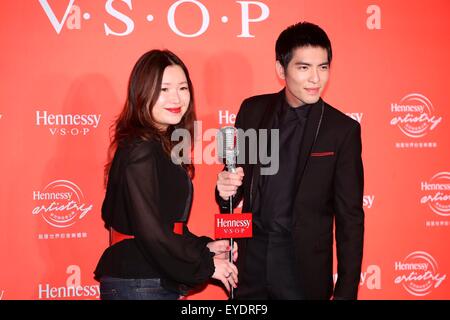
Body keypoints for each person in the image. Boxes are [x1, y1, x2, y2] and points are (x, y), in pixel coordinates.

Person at [216, 22, 364, 300]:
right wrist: (224, 188)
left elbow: (350, 220)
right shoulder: (253, 111)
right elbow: (234, 186)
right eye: (304, 67)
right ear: (281, 70)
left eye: (323, 67)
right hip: (251, 262)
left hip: (303, 270)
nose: (315, 79)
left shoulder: (341, 130)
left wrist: (345, 293)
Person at [95, 49, 238, 300]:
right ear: (142, 92)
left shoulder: (159, 145)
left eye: (183, 88)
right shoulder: (140, 149)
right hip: (140, 282)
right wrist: (207, 264)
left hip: (147, 281)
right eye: (164, 89)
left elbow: (165, 226)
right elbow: (151, 232)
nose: (176, 98)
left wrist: (204, 248)